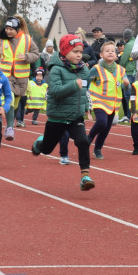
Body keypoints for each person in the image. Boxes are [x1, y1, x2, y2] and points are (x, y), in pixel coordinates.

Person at [30, 34, 95, 190]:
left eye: (80, 52)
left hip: (75, 117)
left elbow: (85, 91)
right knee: (46, 149)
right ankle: (40, 142)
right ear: (65, 52)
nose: (79, 55)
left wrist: (86, 109)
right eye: (75, 51)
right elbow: (55, 91)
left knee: (83, 141)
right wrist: (74, 84)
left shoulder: (84, 71)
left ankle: (85, 176)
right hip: (58, 117)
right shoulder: (56, 69)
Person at [86, 39, 129, 159]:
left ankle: (97, 149)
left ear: (116, 55)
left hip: (113, 104)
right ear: (101, 55)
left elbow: (126, 88)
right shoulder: (97, 69)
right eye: (107, 51)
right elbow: (87, 80)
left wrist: (126, 84)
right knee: (101, 122)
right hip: (98, 101)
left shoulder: (120, 70)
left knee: (106, 128)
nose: (110, 53)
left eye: (112, 51)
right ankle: (89, 138)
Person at [0, 15, 40, 137]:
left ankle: (9, 123)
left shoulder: (27, 39)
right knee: (10, 98)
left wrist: (27, 57)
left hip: (22, 77)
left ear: (17, 29)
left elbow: (36, 54)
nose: (8, 31)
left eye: (11, 29)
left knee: (16, 103)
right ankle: (10, 128)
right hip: (6, 75)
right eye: (6, 28)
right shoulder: (1, 40)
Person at [117, 28, 136, 122]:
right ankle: (131, 114)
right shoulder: (136, 42)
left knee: (127, 94)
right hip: (135, 70)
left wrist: (120, 68)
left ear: (126, 38)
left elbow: (124, 59)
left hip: (129, 71)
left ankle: (128, 115)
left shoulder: (128, 45)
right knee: (133, 94)